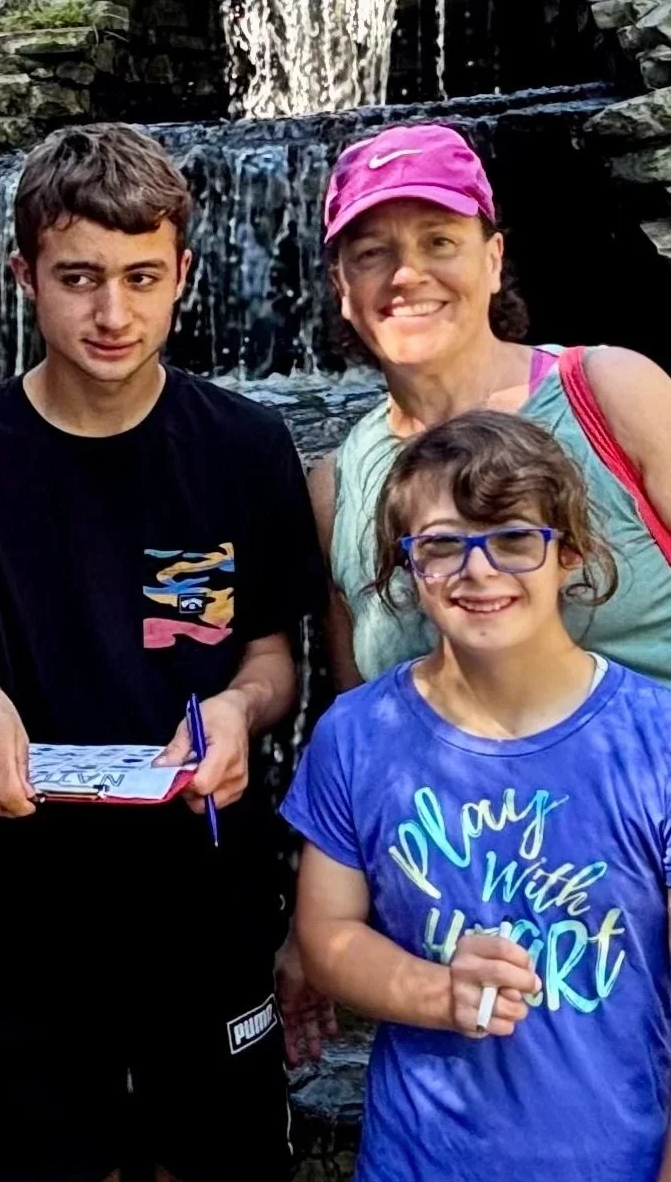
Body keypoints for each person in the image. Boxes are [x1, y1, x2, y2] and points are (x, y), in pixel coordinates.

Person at [0, 123, 335, 1182]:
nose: (112, 312)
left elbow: (271, 660)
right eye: (79, 277)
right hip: (27, 921)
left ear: (184, 273)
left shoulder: (243, 447)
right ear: (23, 278)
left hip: (207, 899)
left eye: (142, 277)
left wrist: (238, 711)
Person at [284, 409, 671, 1180]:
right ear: (404, 571)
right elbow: (326, 934)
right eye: (440, 546)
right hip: (417, 1160)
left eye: (514, 538)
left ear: (572, 553)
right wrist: (437, 992)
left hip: (615, 1156)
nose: (479, 569)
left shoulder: (655, 740)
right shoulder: (356, 733)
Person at [309, 122, 671, 689]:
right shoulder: (338, 487)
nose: (406, 275)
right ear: (341, 287)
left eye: (440, 241)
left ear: (494, 259)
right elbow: (361, 718)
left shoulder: (615, 394)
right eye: (373, 253)